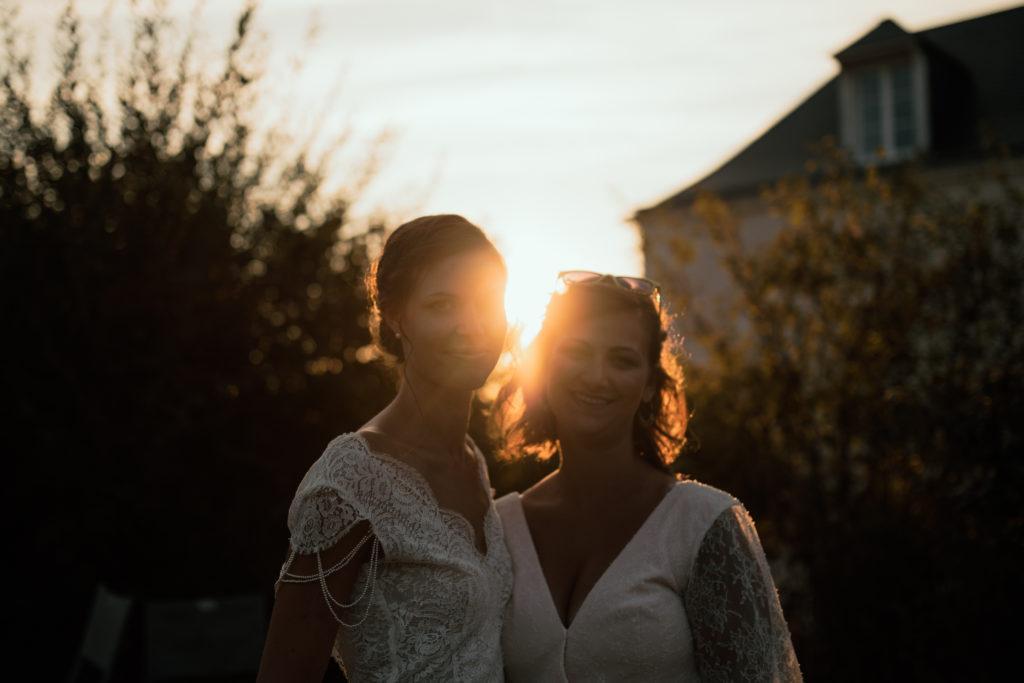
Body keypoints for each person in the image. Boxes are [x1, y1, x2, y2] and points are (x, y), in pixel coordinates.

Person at [494, 271, 802, 682]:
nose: (596, 376)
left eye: (621, 360)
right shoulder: (499, 529)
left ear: (647, 385)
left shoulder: (702, 525)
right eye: (577, 352)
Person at [257, 215, 512, 682]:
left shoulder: (472, 462)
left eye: (486, 302)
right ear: (396, 317)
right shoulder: (350, 482)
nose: (471, 326)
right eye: (441, 304)